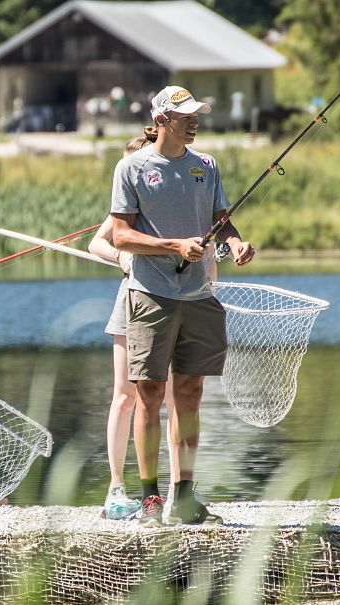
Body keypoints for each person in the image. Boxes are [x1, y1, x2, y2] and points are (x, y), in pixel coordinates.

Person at [109, 86, 255, 525]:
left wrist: (235, 243)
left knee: (190, 395)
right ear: (161, 119)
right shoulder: (131, 167)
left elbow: (221, 221)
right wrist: (173, 245)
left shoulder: (205, 166)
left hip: (200, 298)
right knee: (149, 396)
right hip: (150, 295)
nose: (194, 121)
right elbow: (120, 236)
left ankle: (185, 495)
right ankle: (150, 498)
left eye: (197, 115)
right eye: (185, 115)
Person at [90, 134, 217, 520]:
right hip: (136, 299)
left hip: (184, 299)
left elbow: (210, 248)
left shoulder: (191, 180)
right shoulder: (129, 195)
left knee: (182, 397)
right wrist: (122, 258)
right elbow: (99, 242)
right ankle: (117, 489)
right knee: (128, 395)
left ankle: (181, 493)